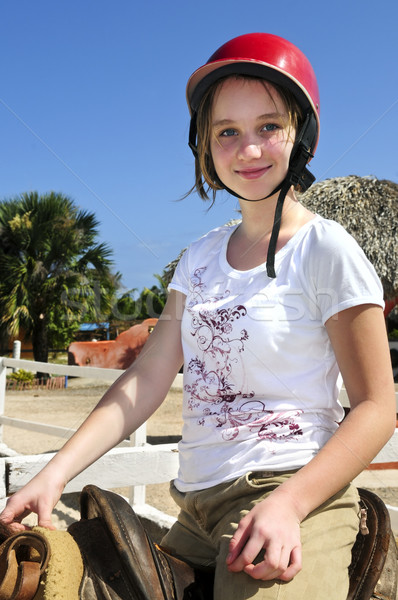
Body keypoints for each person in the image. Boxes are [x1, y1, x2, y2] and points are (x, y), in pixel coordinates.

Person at [0, 33, 395, 600]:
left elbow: (378, 406)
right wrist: (53, 474)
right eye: (227, 132)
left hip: (294, 492)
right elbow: (146, 379)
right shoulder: (198, 259)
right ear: (205, 147)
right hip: (194, 508)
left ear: (301, 136)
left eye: (268, 127)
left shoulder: (326, 251)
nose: (248, 149)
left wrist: (289, 504)